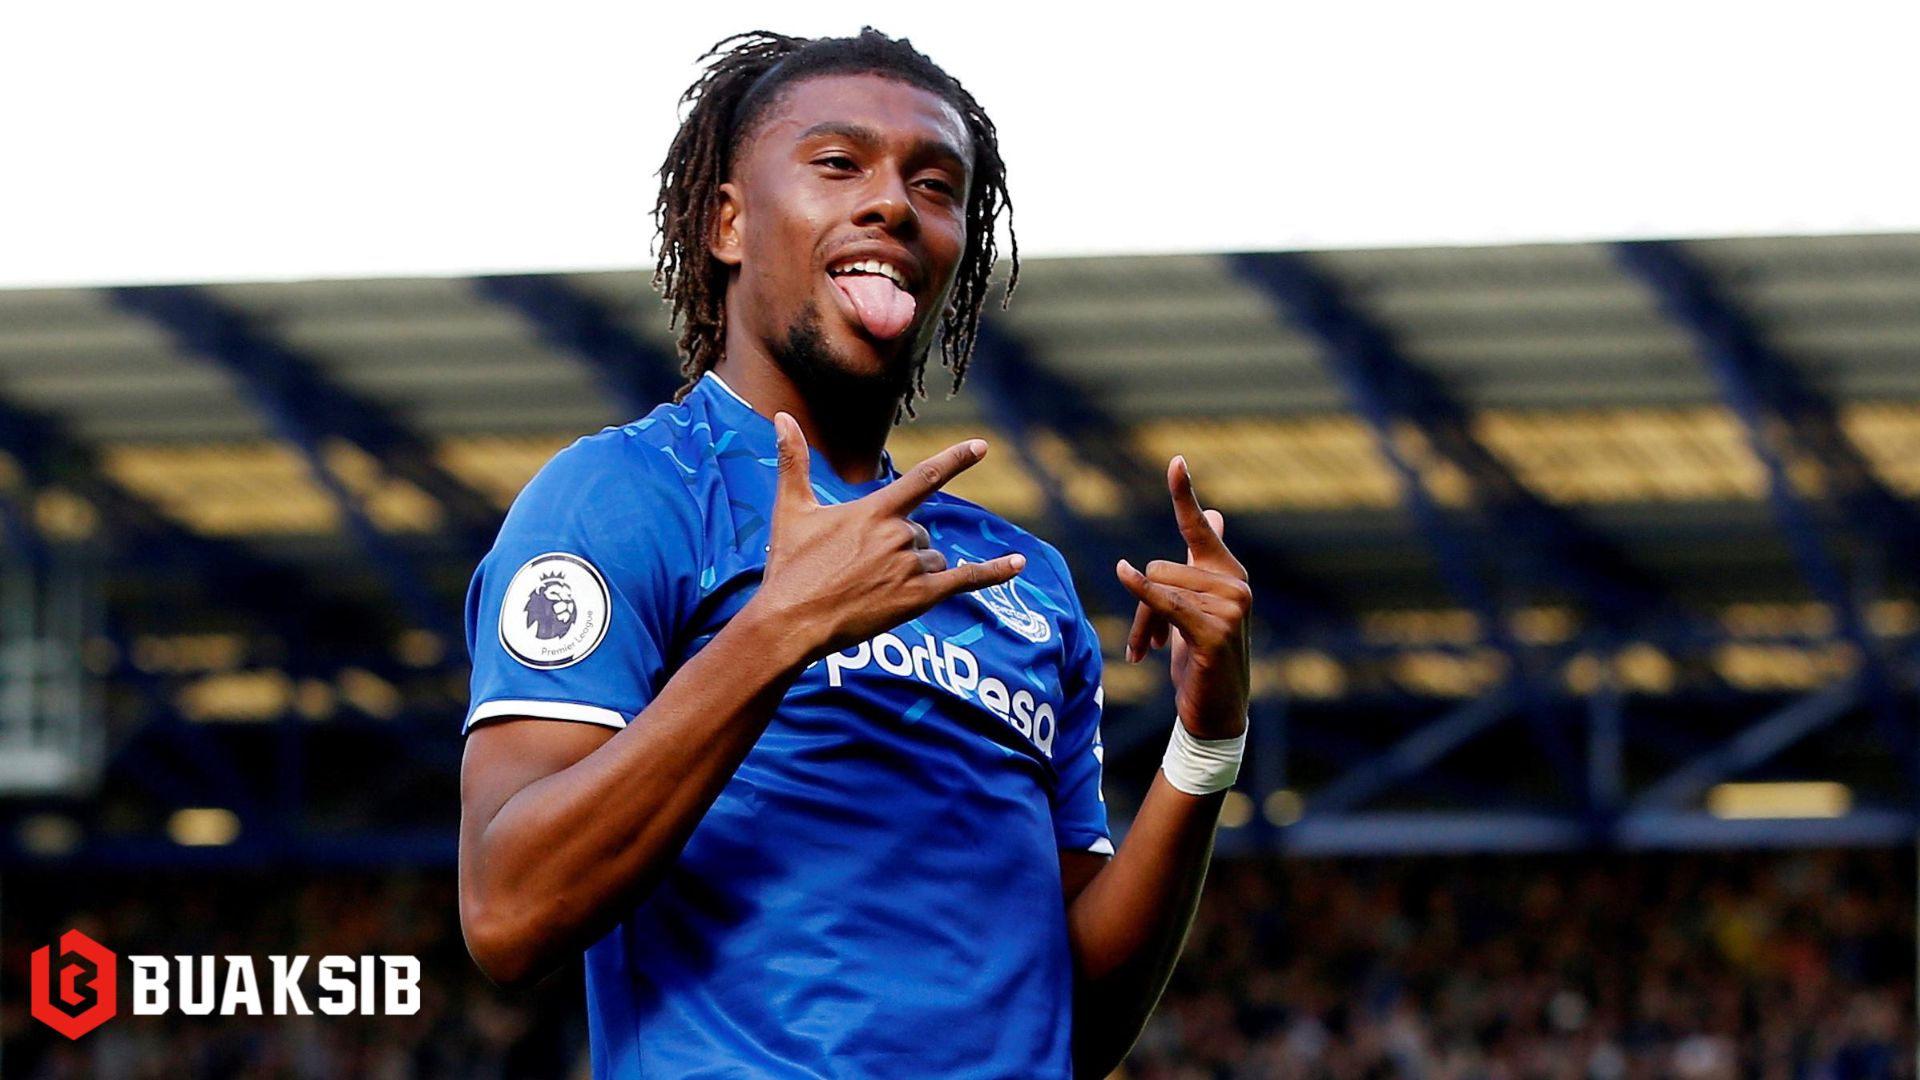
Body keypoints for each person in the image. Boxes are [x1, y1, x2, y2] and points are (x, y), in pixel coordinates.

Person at [457, 28, 1253, 1080]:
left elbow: (1079, 1027)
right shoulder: (625, 496)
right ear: (729, 223)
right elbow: (509, 911)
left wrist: (1206, 741)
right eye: (839, 164)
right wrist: (781, 629)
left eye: (935, 185)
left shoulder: (1021, 583)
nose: (892, 204)